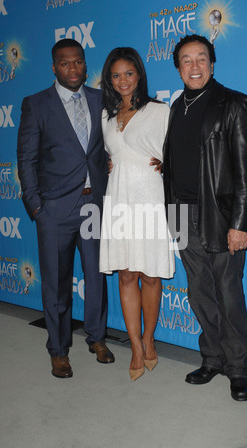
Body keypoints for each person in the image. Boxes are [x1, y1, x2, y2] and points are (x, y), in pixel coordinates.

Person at [163, 35, 247, 401]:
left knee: (229, 294)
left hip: (220, 217)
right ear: (178, 68)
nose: (194, 66)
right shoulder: (176, 107)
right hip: (182, 214)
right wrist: (171, 214)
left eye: (201, 58)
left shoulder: (234, 104)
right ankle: (212, 358)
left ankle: (238, 369)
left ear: (213, 64)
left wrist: (240, 224)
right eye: (186, 60)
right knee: (199, 292)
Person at [17, 38, 115, 379]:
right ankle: (58, 350)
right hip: (54, 209)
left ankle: (97, 338)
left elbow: (111, 143)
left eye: (78, 62)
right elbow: (26, 159)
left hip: (93, 205)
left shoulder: (101, 99)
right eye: (65, 63)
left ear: (86, 65)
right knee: (56, 284)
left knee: (96, 278)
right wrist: (36, 206)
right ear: (54, 67)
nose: (73, 68)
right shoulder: (36, 104)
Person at [100, 47, 175, 381]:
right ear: (109, 79)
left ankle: (149, 338)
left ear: (140, 74)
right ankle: (134, 345)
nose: (123, 81)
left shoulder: (161, 111)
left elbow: (182, 150)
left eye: (128, 73)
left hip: (149, 197)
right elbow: (103, 155)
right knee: (126, 274)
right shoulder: (106, 115)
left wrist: (167, 164)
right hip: (118, 199)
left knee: (151, 275)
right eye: (116, 75)